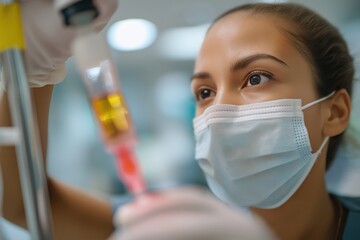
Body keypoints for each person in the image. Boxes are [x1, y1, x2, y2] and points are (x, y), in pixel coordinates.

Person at [0, 1, 359, 240]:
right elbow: (23, 204)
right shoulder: (181, 224)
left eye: (255, 78)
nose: (219, 111)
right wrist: (35, 74)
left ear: (335, 111)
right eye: (204, 92)